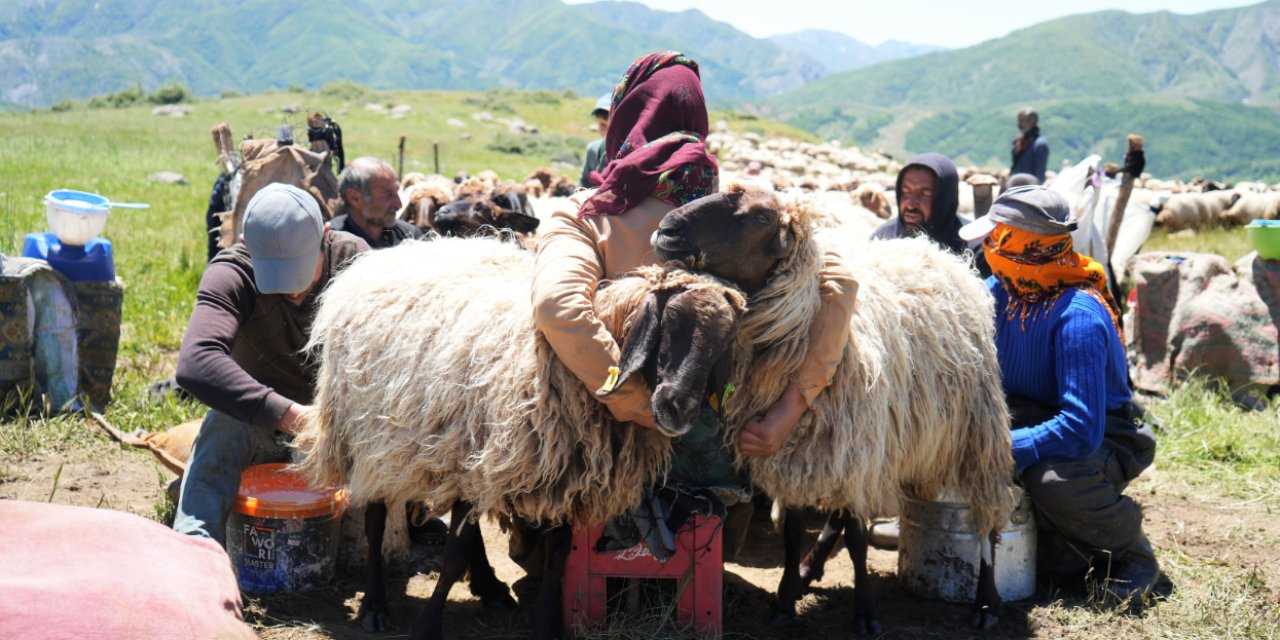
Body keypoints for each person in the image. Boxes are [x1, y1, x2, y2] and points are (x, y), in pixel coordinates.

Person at [532, 51, 857, 557]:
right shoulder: (735, 213)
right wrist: (790, 408)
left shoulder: (586, 214)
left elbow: (558, 307)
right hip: (716, 449)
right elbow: (838, 283)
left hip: (594, 447)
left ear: (623, 120)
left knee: (547, 541)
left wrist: (632, 401)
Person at [958, 185, 1159, 605]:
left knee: (1049, 478)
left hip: (1103, 436)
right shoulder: (1002, 292)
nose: (988, 248)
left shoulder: (1076, 316)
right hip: (1029, 416)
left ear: (1022, 247)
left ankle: (1133, 552)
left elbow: (1080, 427)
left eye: (995, 239)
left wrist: (1000, 447)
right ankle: (1062, 546)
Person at [172, 183, 368, 545]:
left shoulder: (355, 263)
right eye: (275, 275)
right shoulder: (232, 273)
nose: (291, 290)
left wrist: (328, 421)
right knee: (222, 420)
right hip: (256, 422)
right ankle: (195, 548)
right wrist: (289, 415)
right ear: (247, 242)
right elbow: (196, 362)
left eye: (302, 270)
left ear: (325, 235)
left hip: (336, 428)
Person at [872, 152, 991, 277]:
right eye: (906, 191)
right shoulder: (882, 241)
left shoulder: (976, 250)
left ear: (945, 197)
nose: (911, 204)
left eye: (925, 193)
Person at [330, 156, 422, 248]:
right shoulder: (331, 244)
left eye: (396, 192)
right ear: (354, 198)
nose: (399, 204)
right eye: (388, 194)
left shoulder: (410, 238)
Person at [578, 93, 611, 189]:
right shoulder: (593, 149)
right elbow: (584, 180)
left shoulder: (629, 149)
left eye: (609, 124)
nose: (604, 130)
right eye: (601, 125)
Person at [1011, 106, 1050, 183]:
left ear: (1032, 121)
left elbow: (1039, 175)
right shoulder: (1021, 142)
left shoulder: (1040, 144)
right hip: (1016, 187)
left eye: (1021, 121)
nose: (1019, 125)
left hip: (1029, 190)